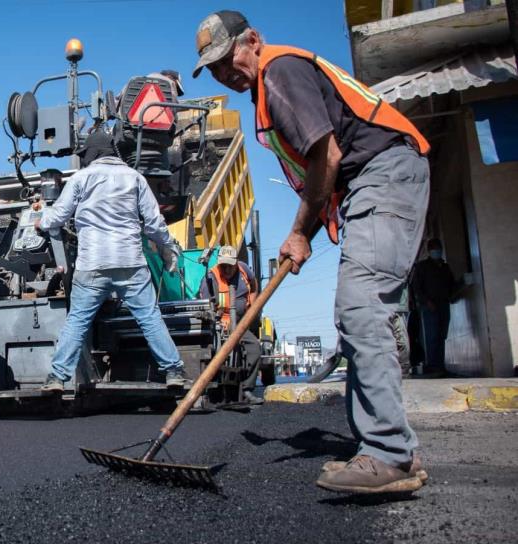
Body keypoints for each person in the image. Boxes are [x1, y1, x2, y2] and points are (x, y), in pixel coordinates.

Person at [192, 10, 430, 494]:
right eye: (213, 68)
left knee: (361, 308)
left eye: (226, 58)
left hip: (383, 175)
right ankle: (384, 449)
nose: (223, 73)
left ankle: (389, 455)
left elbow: (328, 158)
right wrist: (304, 234)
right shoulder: (269, 90)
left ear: (253, 40)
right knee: (355, 311)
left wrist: (300, 231)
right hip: (369, 182)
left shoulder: (279, 71)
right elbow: (328, 176)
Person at [34, 129, 186, 391]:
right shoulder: (134, 178)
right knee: (149, 317)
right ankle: (173, 371)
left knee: (78, 321)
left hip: (92, 263)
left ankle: (58, 378)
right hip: (130, 262)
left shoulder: (81, 178)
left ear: (92, 153)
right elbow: (153, 223)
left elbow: (57, 216)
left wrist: (41, 220)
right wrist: (167, 246)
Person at [198, 245, 262, 396]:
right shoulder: (211, 278)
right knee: (212, 351)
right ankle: (211, 388)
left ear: (236, 263)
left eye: (230, 266)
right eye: (223, 266)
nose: (226, 270)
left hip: (240, 323)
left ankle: (247, 389)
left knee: (254, 348)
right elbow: (206, 306)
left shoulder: (244, 270)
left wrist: (252, 306)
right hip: (219, 324)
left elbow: (253, 286)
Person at [412, 239, 458, 372]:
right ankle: (433, 365)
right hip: (429, 306)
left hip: (443, 304)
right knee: (431, 336)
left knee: (442, 335)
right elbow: (417, 287)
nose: (436, 251)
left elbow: (451, 284)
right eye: (434, 248)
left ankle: (440, 365)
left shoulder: (445, 267)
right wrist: (426, 302)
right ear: (429, 250)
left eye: (438, 248)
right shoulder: (422, 267)